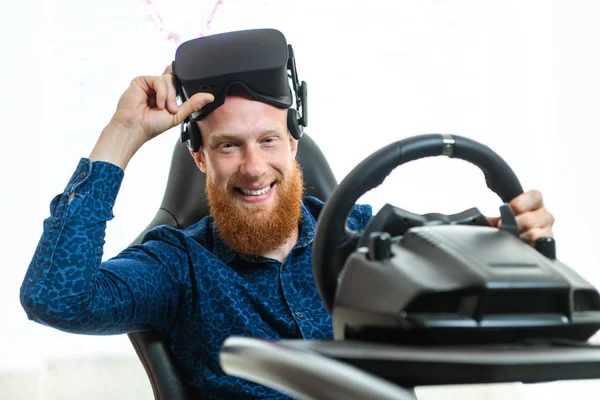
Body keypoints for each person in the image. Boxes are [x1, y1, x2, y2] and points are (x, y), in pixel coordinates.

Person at [20, 33, 555, 399]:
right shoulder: (176, 266)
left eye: (268, 140)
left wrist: (513, 233)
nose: (254, 168)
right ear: (200, 158)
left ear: (293, 145)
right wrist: (123, 134)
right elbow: (53, 298)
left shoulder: (359, 236)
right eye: (229, 146)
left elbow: (459, 239)